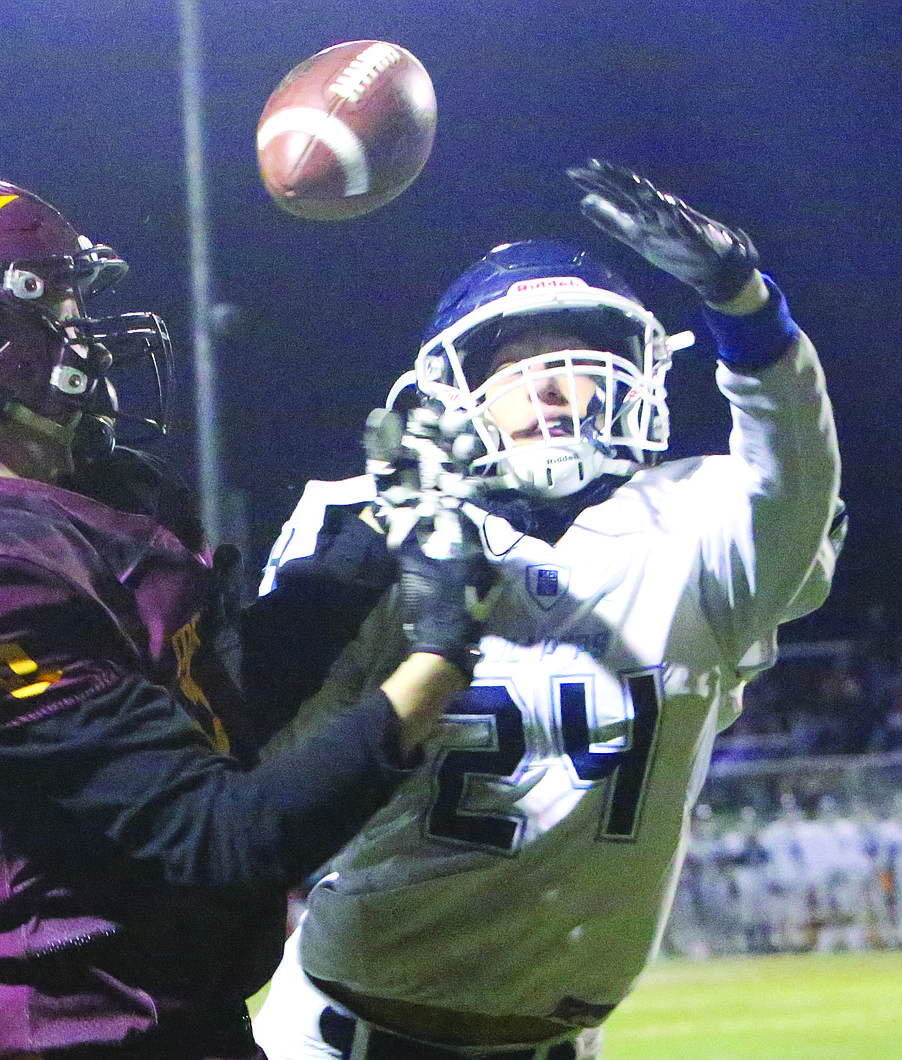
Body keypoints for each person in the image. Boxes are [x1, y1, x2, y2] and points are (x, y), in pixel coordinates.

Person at [0, 177, 485, 1060]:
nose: (84, 325)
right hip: (81, 1040)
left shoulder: (98, 501)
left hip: (190, 1020)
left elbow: (222, 705)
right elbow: (224, 837)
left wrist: (381, 536)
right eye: (57, 299)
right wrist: (439, 653)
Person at [252, 160, 842, 1060]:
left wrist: (748, 307)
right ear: (453, 390)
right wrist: (378, 549)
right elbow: (268, 746)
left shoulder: (692, 527)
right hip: (338, 1037)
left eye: (578, 358)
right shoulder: (365, 518)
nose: (551, 387)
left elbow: (792, 476)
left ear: (634, 376)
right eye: (514, 362)